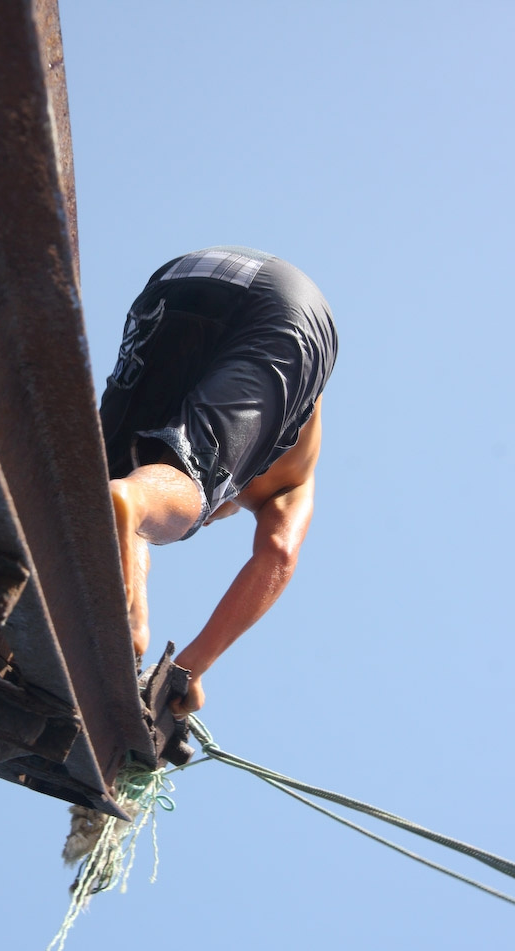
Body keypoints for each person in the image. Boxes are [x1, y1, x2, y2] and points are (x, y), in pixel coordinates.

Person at [100, 246, 338, 718]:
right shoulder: (291, 488)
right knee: (177, 486)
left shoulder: (161, 467)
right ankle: (128, 502)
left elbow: (130, 520)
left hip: (184, 277)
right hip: (287, 307)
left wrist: (134, 635)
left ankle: (128, 625)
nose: (209, 520)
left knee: (104, 492)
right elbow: (279, 555)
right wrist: (191, 668)